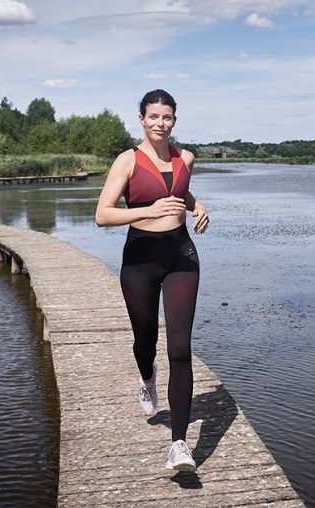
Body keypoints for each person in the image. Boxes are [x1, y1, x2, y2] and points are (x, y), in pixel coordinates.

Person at [95, 89, 209, 472]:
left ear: (175, 120)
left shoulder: (185, 158)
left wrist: (198, 207)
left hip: (181, 257)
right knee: (145, 340)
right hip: (140, 260)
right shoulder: (127, 161)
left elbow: (180, 189)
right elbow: (103, 215)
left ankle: (179, 445)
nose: (161, 123)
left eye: (168, 117)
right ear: (141, 120)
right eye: (154, 116)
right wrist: (147, 211)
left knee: (180, 348)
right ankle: (147, 377)